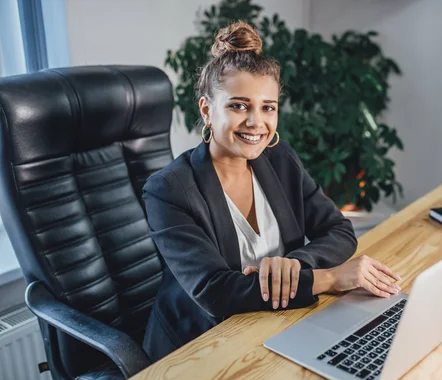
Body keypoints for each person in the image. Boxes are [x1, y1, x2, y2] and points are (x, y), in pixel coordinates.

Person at [142, 21, 402, 362]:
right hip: (202, 347)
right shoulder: (169, 189)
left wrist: (291, 265)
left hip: (281, 323)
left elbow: (337, 229)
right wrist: (327, 278)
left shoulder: (280, 159)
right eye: (238, 106)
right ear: (207, 110)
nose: (256, 122)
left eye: (268, 107)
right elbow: (216, 293)